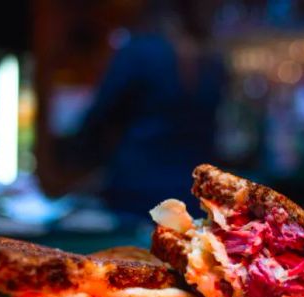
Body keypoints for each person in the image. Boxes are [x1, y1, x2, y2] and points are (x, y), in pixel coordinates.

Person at [72, 0, 226, 216]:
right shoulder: (213, 62)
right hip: (193, 195)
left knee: (131, 249)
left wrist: (75, 168)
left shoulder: (139, 52)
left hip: (134, 193)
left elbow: (97, 118)